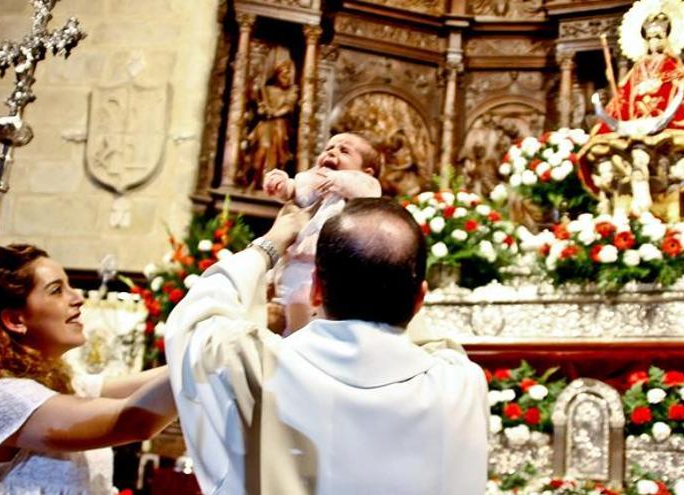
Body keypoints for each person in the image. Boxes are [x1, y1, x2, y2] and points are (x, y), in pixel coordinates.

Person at [164, 198, 489, 495]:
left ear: (315, 289)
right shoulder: (461, 385)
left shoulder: (254, 368)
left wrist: (271, 244)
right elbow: (431, 342)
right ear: (420, 299)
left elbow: (198, 315)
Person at [0, 244, 177, 494]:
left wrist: (213, 349)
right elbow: (133, 421)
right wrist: (202, 363)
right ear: (16, 320)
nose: (78, 298)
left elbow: (142, 384)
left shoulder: (65, 383)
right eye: (56, 290)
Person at [578, 0, 684, 218]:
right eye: (650, 38)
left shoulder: (672, 66)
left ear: (666, 38)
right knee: (603, 148)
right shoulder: (638, 68)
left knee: (683, 145)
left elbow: (681, 91)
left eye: (658, 37)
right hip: (633, 127)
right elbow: (625, 96)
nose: (654, 42)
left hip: (665, 124)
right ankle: (621, 199)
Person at [263, 132, 382, 333]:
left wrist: (336, 179)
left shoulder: (364, 186)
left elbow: (368, 191)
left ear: (367, 171)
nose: (332, 152)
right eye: (329, 148)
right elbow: (295, 189)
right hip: (294, 261)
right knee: (278, 305)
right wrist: (281, 184)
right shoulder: (316, 184)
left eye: (344, 150)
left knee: (306, 311)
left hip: (323, 271)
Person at [242, 49, 299, 190]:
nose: (287, 76)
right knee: (262, 148)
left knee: (277, 154)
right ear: (277, 74)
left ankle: (269, 184)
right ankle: (255, 180)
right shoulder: (266, 89)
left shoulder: (292, 91)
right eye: (284, 73)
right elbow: (257, 104)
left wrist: (273, 113)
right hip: (264, 125)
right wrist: (262, 108)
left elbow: (288, 107)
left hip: (280, 127)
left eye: (289, 73)